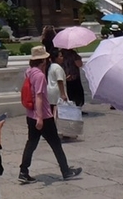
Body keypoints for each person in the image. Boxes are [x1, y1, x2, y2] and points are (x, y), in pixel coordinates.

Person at [18, 46, 81, 184]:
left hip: (30, 114)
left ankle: (23, 171)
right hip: (43, 115)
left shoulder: (28, 72)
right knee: (55, 144)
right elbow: (39, 96)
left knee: (32, 143)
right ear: (43, 60)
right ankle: (66, 171)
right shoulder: (39, 75)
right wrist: (40, 117)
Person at [46, 49, 67, 116]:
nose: (62, 58)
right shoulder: (58, 68)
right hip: (57, 91)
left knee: (52, 108)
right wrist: (63, 94)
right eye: (60, 56)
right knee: (58, 109)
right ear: (56, 58)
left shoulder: (50, 67)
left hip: (50, 90)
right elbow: (59, 80)